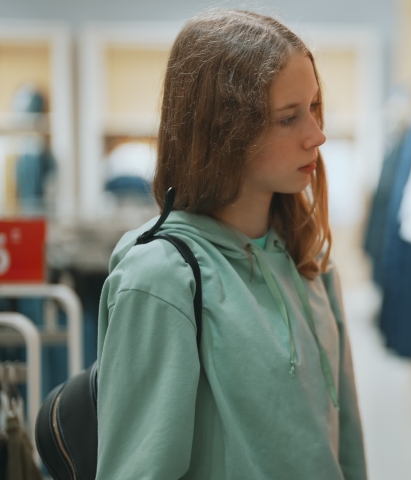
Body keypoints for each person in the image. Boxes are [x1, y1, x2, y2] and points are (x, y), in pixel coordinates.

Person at [94, 9, 367, 479]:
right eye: (289, 118)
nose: (316, 136)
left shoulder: (309, 258)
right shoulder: (161, 278)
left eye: (314, 109)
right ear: (224, 129)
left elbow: (344, 444)